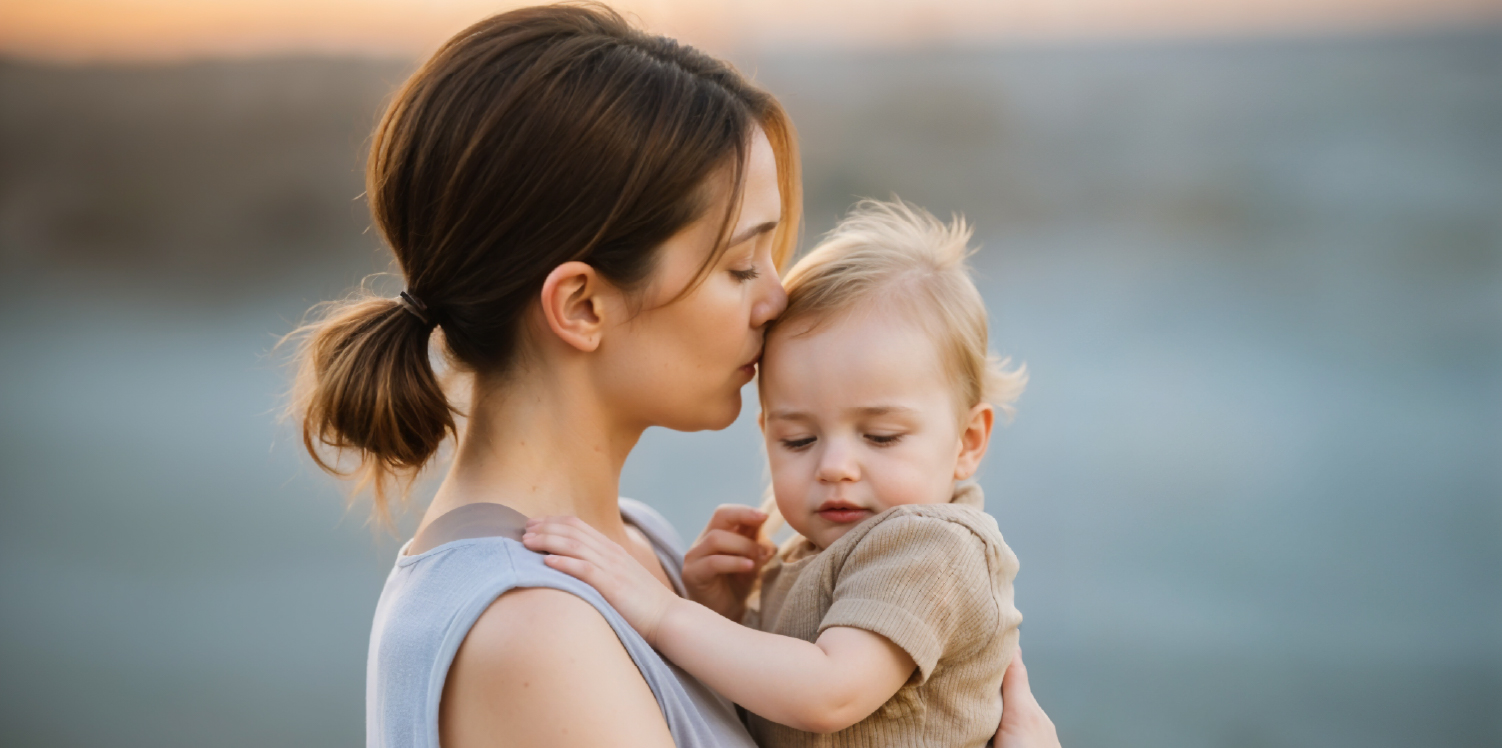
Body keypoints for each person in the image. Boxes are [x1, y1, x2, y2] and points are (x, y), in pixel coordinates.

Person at [286, 4, 1062, 747]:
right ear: (583, 305)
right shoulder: (534, 633)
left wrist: (719, 616)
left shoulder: (643, 545)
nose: (777, 297)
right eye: (738, 266)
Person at [524, 199, 1029, 746]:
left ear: (968, 441)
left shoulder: (931, 546)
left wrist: (664, 613)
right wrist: (728, 613)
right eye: (799, 440)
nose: (835, 467)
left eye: (881, 436)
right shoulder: (806, 557)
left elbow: (828, 691)